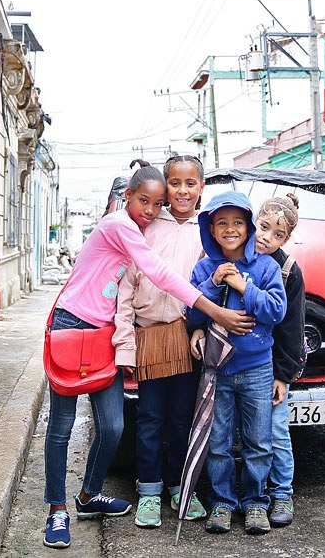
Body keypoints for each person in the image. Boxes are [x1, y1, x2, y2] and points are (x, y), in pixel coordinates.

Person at [41, 161, 251, 550]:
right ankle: (57, 511)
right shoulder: (120, 225)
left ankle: (88, 496)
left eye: (157, 204)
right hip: (73, 325)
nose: (151, 211)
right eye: (144, 201)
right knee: (62, 426)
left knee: (115, 427)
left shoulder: (146, 228)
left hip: (105, 332)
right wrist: (215, 311)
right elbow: (158, 272)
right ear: (127, 198)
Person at [113, 155, 209, 529]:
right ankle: (150, 491)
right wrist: (125, 344)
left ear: (201, 187)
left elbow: (209, 286)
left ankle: (180, 486)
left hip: (187, 338)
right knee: (150, 417)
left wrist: (200, 325)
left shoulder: (207, 230)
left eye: (190, 183)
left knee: (183, 417)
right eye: (175, 183)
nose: (182, 191)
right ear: (165, 187)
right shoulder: (145, 229)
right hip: (149, 336)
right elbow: (124, 289)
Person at [187, 190, 286, 537]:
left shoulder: (266, 266)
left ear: (247, 227)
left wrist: (243, 286)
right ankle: (223, 503)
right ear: (211, 230)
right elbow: (190, 311)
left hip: (258, 368)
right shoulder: (203, 268)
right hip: (217, 371)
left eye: (238, 223)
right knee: (219, 442)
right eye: (222, 223)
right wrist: (215, 284)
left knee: (259, 441)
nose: (230, 229)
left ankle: (256, 503)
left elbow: (276, 311)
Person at [253, 193, 306, 528]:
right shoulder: (235, 258)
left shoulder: (288, 271)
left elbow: (292, 328)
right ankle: (245, 496)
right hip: (238, 365)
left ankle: (282, 493)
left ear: (287, 238)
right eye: (263, 227)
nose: (266, 238)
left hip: (272, 367)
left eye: (277, 234)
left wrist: (283, 375)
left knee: (275, 432)